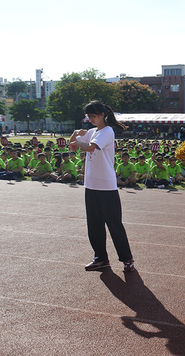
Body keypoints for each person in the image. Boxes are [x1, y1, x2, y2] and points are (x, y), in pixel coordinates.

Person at [68, 100, 135, 273]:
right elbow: (72, 145)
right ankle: (100, 258)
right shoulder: (92, 131)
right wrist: (75, 133)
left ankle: (127, 259)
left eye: (93, 116)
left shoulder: (107, 131)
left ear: (102, 115)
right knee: (94, 224)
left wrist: (78, 140)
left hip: (106, 186)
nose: (90, 119)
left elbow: (90, 147)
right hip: (91, 185)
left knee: (114, 224)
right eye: (88, 116)